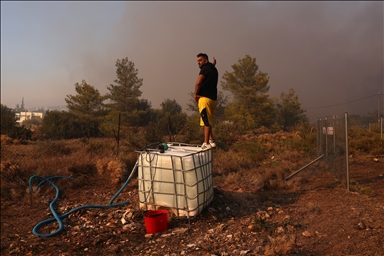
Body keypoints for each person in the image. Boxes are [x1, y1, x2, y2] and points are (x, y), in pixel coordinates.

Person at [194, 53, 218, 151]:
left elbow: (198, 82)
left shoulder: (205, 69)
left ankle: (206, 143)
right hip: (213, 99)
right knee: (209, 120)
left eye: (200, 60)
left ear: (205, 60)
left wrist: (195, 94)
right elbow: (211, 68)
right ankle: (211, 141)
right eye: (197, 61)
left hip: (205, 99)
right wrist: (213, 64)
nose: (198, 63)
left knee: (206, 121)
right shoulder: (213, 69)